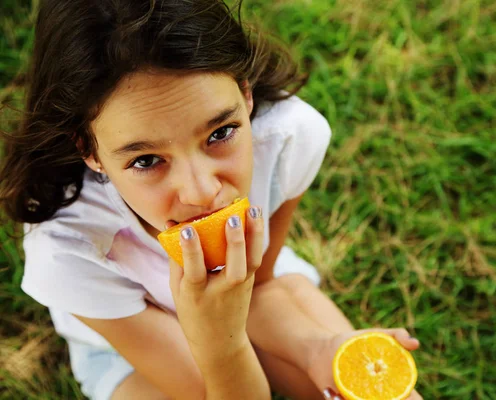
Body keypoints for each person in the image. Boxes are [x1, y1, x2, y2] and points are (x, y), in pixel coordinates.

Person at [0, 0, 422, 399]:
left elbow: (262, 287)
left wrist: (319, 349)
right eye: (147, 160)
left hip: (253, 292)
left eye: (220, 134)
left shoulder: (286, 139)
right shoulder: (71, 250)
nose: (202, 192)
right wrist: (224, 346)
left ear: (245, 92)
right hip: (130, 347)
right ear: (89, 150)